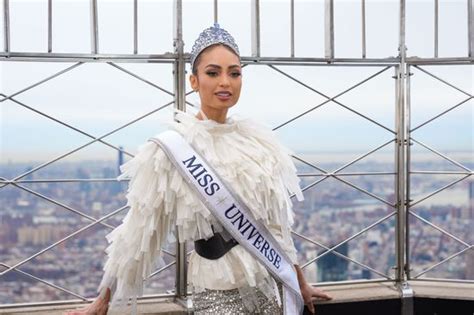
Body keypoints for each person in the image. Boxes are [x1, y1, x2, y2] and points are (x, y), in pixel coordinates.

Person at [64, 23, 331, 315]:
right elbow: (139, 233)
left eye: (234, 73)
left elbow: (277, 226)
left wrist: (299, 282)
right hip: (217, 292)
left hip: (271, 288)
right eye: (213, 73)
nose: (225, 82)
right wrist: (103, 301)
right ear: (193, 81)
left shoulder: (260, 143)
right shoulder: (172, 148)